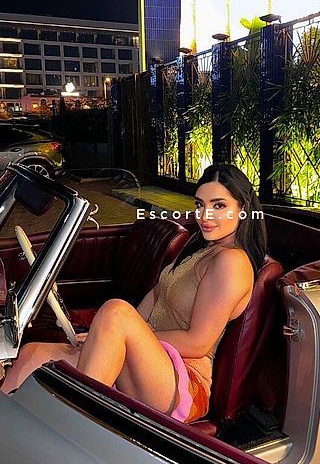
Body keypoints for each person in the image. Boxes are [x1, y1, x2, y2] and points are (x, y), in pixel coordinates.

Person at [1, 164, 268, 423]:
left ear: (243, 209)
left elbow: (198, 342)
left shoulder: (232, 262)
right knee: (33, 353)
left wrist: (119, 333)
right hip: (148, 359)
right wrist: (107, 336)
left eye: (219, 206)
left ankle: (74, 426)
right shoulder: (201, 248)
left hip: (182, 381)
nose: (205, 215)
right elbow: (155, 295)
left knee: (115, 312)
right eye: (200, 205)